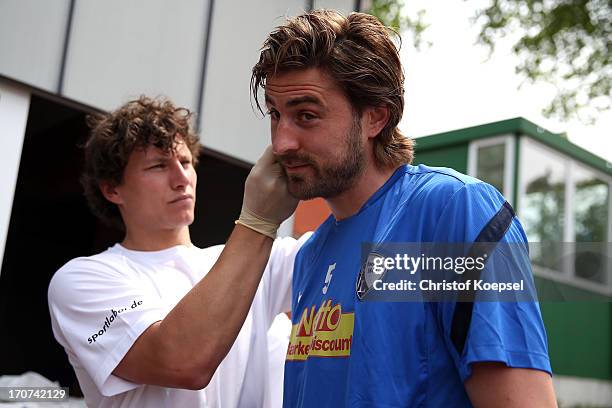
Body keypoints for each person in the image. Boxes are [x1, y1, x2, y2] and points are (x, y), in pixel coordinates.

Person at [251, 9, 557, 407]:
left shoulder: (456, 211)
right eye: (276, 114)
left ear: (375, 116)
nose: (281, 143)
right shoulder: (309, 255)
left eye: (306, 116)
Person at [48, 96, 309, 407]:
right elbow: (182, 361)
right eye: (159, 165)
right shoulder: (82, 280)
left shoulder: (262, 261)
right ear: (112, 189)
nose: (182, 178)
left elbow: (372, 268)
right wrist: (257, 221)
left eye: (185, 162)